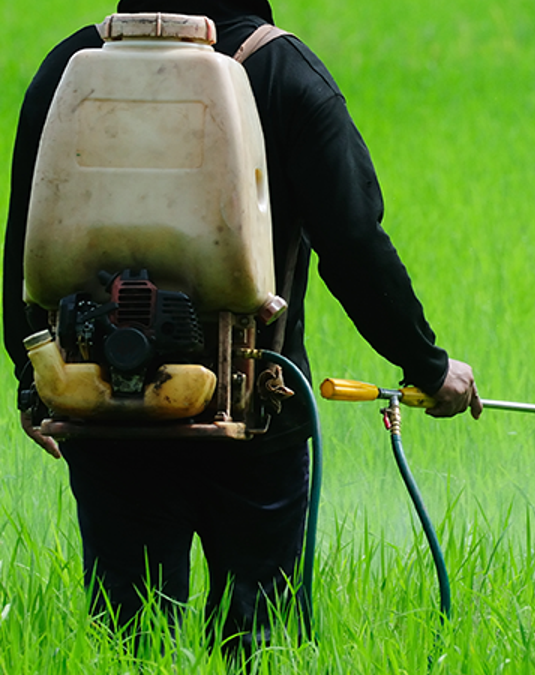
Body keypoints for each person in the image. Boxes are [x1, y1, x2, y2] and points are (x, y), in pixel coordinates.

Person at [3, 0, 482, 658]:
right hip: (260, 407)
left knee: (131, 645)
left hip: (109, 404)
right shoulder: (286, 73)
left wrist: (35, 380)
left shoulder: (70, 68)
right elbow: (354, 246)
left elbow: (23, 253)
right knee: (261, 641)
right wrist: (428, 366)